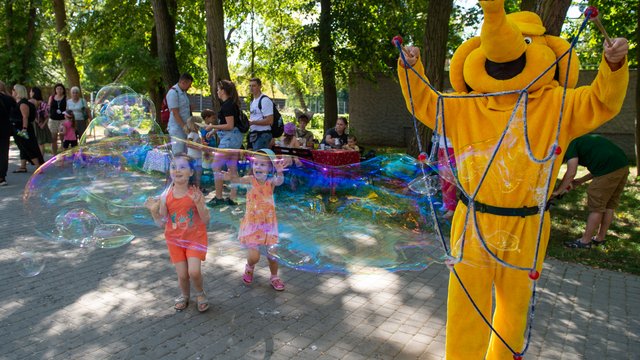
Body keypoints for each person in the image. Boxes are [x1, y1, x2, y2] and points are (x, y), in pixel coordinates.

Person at [397, 1, 629, 358]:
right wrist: (411, 69)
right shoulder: (465, 105)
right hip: (473, 222)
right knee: (466, 308)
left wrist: (613, 65)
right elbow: (425, 103)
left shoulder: (558, 104)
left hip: (527, 227)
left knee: (513, 310)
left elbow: (602, 102)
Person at [144, 154, 210, 312]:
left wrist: (199, 204)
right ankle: (185, 295)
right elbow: (162, 223)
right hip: (175, 241)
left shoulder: (195, 193)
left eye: (182, 167)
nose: (177, 170)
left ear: (191, 173)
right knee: (182, 275)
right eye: (173, 166)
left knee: (193, 271)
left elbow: (206, 220)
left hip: (195, 238)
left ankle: (200, 294)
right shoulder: (165, 197)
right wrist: (154, 212)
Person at [552, 134, 629, 249]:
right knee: (609, 204)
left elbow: (571, 172)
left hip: (610, 167)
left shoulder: (568, 145)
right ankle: (600, 238)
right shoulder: (580, 140)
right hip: (622, 164)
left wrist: (558, 191)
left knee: (596, 206)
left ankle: (585, 241)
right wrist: (580, 181)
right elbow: (600, 166)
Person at [224, 149, 286, 291]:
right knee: (254, 256)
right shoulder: (249, 180)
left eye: (263, 165)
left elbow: (279, 181)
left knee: (273, 254)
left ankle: (274, 277)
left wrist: (280, 172)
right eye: (256, 163)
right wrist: (229, 178)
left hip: (269, 224)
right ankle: (249, 267)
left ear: (270, 168)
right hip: (253, 224)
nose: (258, 167)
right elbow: (236, 181)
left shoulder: (270, 181)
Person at [207, 80, 244, 207]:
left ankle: (218, 197)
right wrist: (214, 130)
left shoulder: (227, 105)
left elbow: (229, 125)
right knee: (232, 168)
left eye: (218, 89)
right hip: (234, 138)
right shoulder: (231, 104)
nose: (217, 92)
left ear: (223, 91)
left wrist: (213, 126)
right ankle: (232, 197)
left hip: (229, 139)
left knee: (216, 166)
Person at [11, 84, 44, 172]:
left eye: (14, 90)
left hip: (23, 129)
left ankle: (38, 167)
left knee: (28, 147)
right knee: (23, 147)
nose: (12, 91)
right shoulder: (18, 102)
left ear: (18, 92)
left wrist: (24, 129)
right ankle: (23, 166)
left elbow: (25, 117)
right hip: (18, 128)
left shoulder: (23, 103)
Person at [167, 73, 193, 154]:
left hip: (184, 128)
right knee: (178, 153)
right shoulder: (173, 93)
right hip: (177, 129)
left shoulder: (183, 92)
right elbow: (175, 113)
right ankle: (177, 166)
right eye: (189, 84)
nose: (190, 87)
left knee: (185, 152)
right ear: (183, 82)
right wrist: (184, 127)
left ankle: (184, 166)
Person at [248, 78, 273, 150]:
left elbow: (269, 120)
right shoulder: (253, 101)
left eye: (254, 86)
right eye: (250, 86)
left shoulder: (265, 100)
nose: (251, 88)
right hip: (254, 135)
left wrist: (253, 122)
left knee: (260, 160)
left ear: (259, 87)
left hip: (262, 135)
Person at [437, 135, 457, 219]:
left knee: (449, 179)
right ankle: (445, 203)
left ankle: (451, 208)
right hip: (441, 147)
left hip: (450, 147)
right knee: (443, 178)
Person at [29, 87, 52, 156]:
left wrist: (37, 121)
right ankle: (41, 159)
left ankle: (33, 158)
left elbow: (30, 114)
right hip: (41, 123)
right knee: (41, 143)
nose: (29, 93)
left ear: (33, 93)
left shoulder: (30, 102)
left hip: (33, 123)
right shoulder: (43, 103)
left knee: (33, 141)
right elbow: (47, 115)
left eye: (30, 91)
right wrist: (43, 124)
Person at [0, 86, 15, 186]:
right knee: (3, 153)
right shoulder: (8, 99)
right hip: (4, 129)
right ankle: (2, 176)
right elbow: (15, 111)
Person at [48, 83, 67, 155]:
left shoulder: (65, 98)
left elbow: (67, 108)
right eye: (57, 89)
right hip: (53, 120)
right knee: (53, 138)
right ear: (55, 90)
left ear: (63, 90)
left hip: (62, 120)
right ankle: (54, 154)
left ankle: (63, 153)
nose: (59, 90)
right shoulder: (52, 97)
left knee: (63, 137)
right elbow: (48, 107)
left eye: (61, 89)